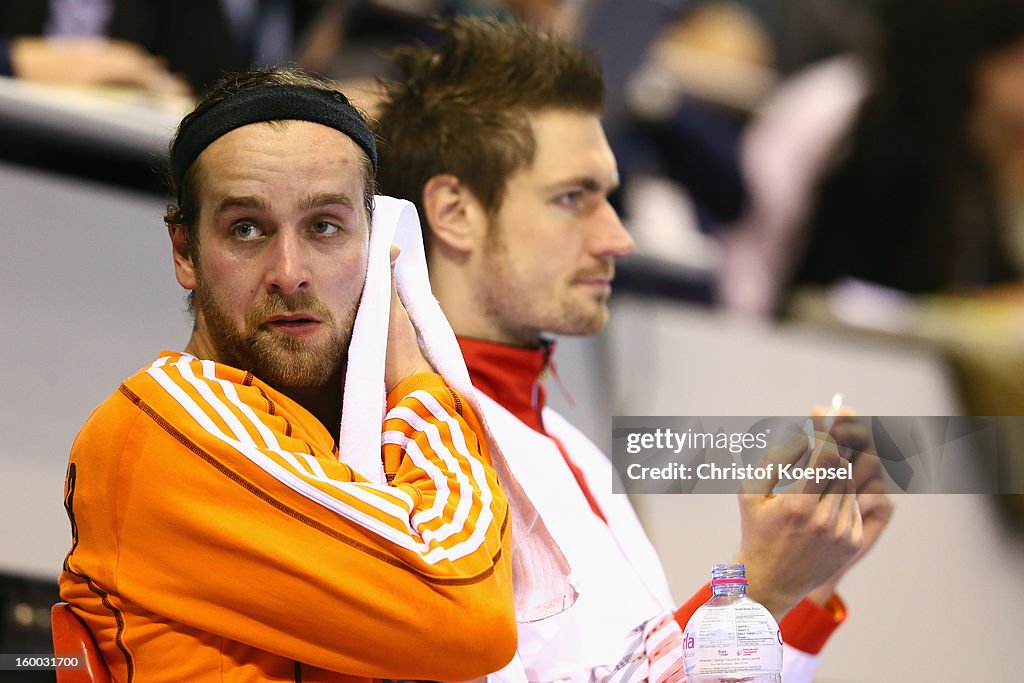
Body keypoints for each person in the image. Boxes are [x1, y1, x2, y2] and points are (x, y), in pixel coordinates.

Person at [375, 17, 893, 681]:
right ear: (455, 211)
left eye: (609, 198)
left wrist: (802, 583)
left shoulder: (567, 444)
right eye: (573, 198)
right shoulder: (403, 452)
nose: (618, 237)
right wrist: (761, 588)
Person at [57, 67, 518, 682]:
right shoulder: (167, 424)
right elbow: (469, 615)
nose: (289, 271)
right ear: (185, 251)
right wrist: (417, 382)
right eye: (246, 229)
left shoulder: (338, 437)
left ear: (376, 245)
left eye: (324, 226)